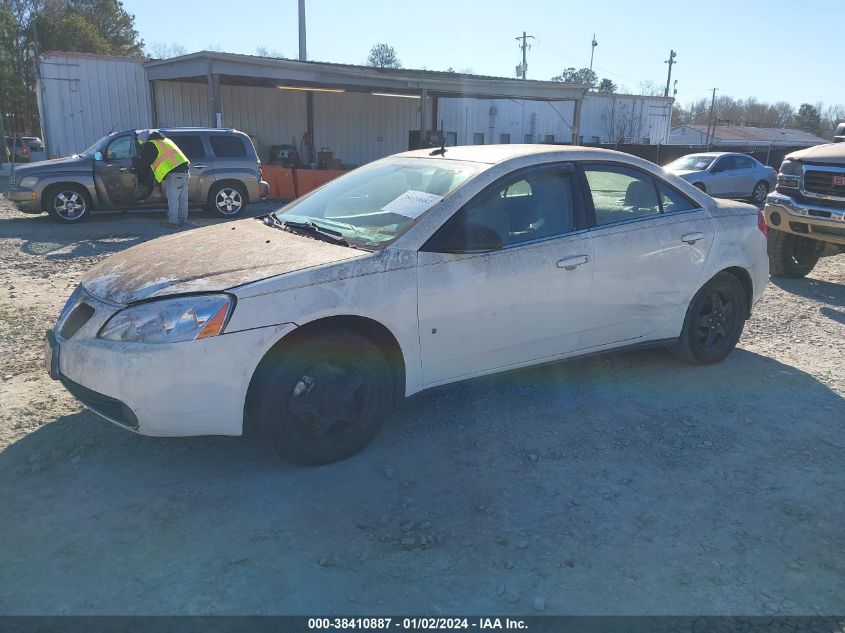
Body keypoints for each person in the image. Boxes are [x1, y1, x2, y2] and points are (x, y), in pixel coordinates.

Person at [136, 129, 190, 226]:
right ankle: (183, 221)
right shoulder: (166, 141)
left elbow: (146, 161)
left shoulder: (151, 144)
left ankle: (173, 222)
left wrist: (137, 165)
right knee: (182, 198)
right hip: (185, 172)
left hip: (174, 174)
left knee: (173, 199)